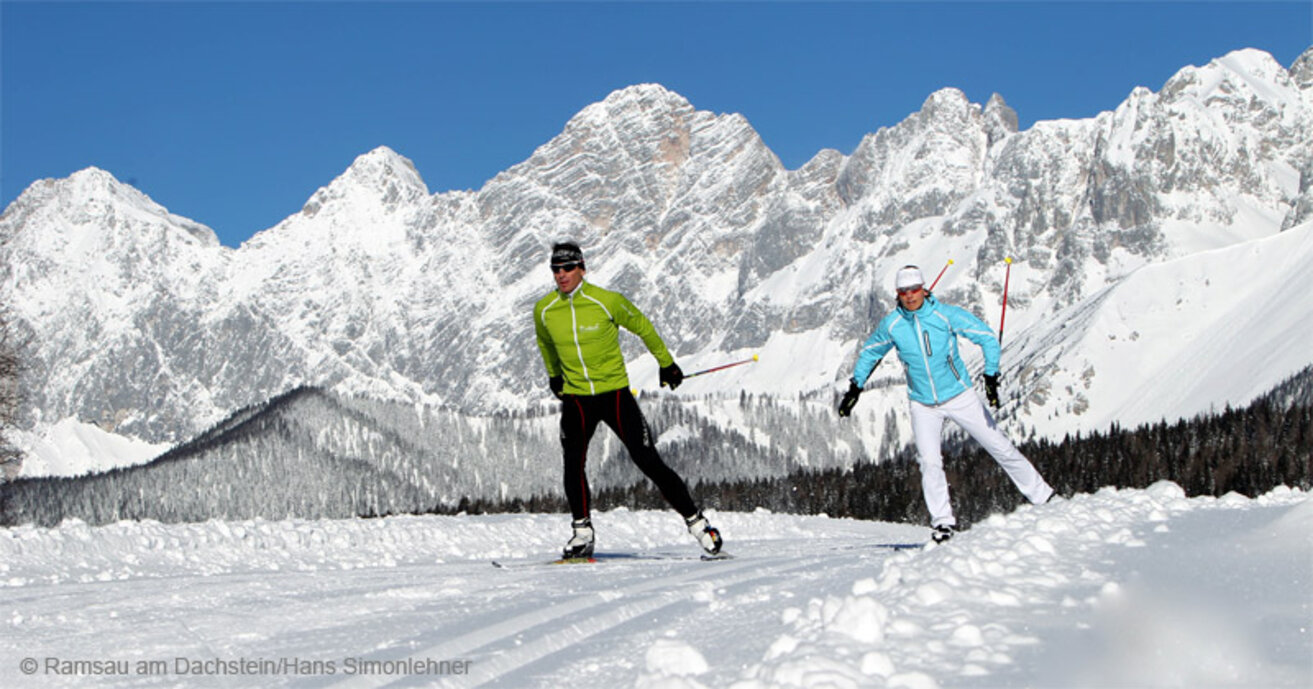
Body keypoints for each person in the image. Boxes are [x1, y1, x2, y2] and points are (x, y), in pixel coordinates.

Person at [837, 265, 1054, 543]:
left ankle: (1044, 496)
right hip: (923, 403)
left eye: (914, 290)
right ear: (897, 294)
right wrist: (855, 387)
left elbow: (986, 337)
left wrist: (990, 374)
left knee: (998, 445)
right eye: (904, 292)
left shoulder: (945, 315)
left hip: (959, 395)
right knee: (929, 462)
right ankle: (943, 523)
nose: (910, 296)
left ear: (924, 289)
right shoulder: (892, 324)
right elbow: (870, 352)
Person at [533, 241, 723, 558]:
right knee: (573, 464)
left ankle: (699, 524)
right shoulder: (545, 310)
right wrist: (554, 375)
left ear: (581, 267)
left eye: (567, 268)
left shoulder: (607, 301)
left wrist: (667, 363)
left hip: (614, 396)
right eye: (555, 269)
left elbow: (642, 326)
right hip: (577, 399)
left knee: (647, 460)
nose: (561, 275)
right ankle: (582, 533)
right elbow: (545, 344)